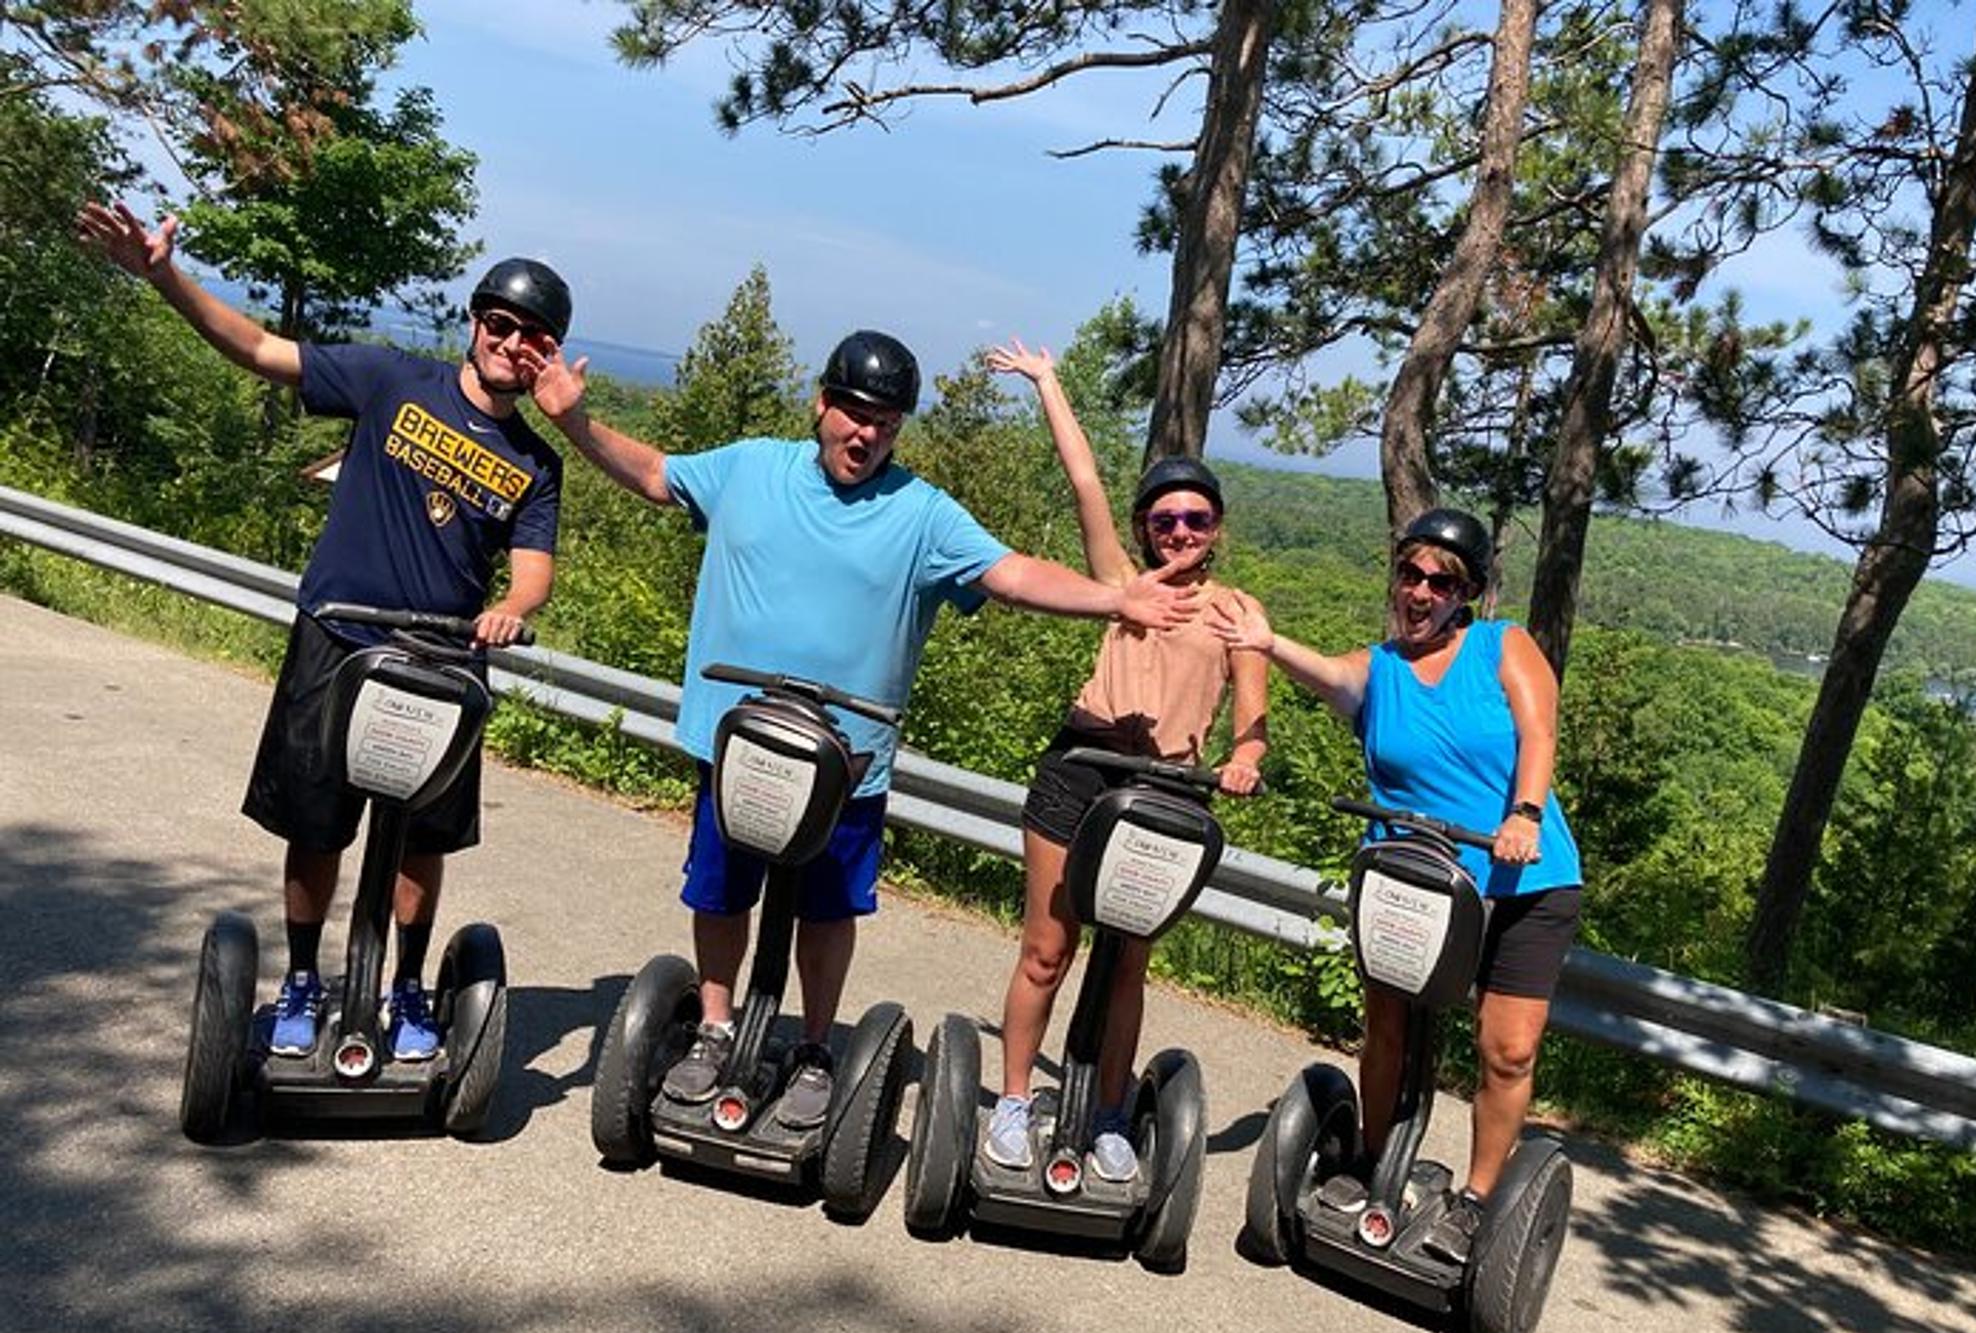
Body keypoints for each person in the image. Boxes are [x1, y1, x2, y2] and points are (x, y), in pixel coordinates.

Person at [527, 329, 1201, 1130]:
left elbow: (1012, 573)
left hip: (848, 760)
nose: (866, 433)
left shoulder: (922, 512)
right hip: (738, 740)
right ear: (822, 403)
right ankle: (714, 1025)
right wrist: (572, 420)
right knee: (722, 891)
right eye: (854, 413)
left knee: (826, 910)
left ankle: (816, 1045)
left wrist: (1115, 598)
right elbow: (653, 472)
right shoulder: (750, 467)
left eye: (884, 421)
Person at [75, 201, 569, 1062]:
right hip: (338, 639)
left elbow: (534, 570)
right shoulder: (389, 378)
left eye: (533, 336)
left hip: (446, 659)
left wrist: (512, 610)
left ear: (549, 354)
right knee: (316, 824)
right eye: (499, 324)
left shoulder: (536, 461)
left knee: (421, 837)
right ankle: (303, 978)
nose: (511, 343)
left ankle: (407, 987)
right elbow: (261, 349)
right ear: (474, 324)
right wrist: (163, 277)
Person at [1209, 508, 1582, 1262]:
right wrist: (1268, 643)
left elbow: (1539, 732)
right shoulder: (1379, 669)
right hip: (1417, 879)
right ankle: (1372, 1159)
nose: (1420, 592)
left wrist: (1524, 813)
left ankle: (1476, 1200)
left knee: (1506, 1049)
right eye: (1410, 575)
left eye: (1440, 583)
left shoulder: (1501, 645)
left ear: (1465, 594)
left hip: (1521, 879)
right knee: (1388, 1029)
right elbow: (1330, 674)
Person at [980, 341, 1267, 1182]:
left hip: (1170, 790)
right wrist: (1048, 382)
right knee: (1048, 948)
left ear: (1216, 529)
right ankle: (1011, 1101)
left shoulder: (1237, 611)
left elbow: (1253, 721)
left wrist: (1245, 759)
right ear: (1147, 529)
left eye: (1196, 520)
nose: (1179, 531)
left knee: (1127, 961)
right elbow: (1085, 483)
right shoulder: (1123, 582)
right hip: (1082, 769)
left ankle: (1109, 1111)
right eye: (1164, 520)